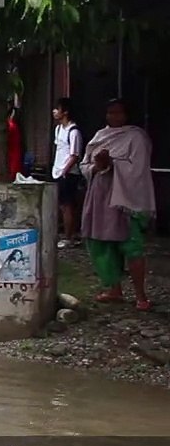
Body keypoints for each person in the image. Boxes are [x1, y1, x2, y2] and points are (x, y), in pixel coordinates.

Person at [80, 98, 155, 311]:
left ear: (126, 115)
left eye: (119, 113)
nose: (114, 117)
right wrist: (97, 166)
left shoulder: (136, 137)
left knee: (131, 246)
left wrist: (112, 163)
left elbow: (138, 168)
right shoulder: (99, 136)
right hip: (100, 197)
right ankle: (114, 289)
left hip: (125, 199)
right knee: (103, 244)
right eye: (110, 113)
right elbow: (85, 165)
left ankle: (141, 295)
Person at [52, 98, 84, 248]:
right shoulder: (59, 129)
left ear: (65, 112)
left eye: (57, 109)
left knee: (67, 205)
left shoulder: (74, 131)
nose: (54, 112)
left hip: (69, 173)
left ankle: (69, 236)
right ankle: (65, 233)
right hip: (57, 170)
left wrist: (65, 170)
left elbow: (75, 154)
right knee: (61, 205)